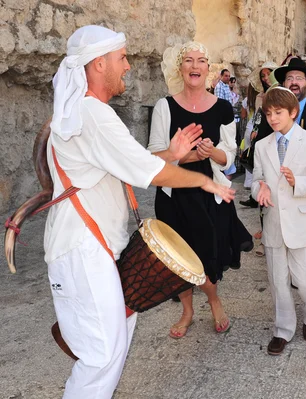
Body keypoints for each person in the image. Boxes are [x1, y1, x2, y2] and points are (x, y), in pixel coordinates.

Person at [45, 26, 235, 399]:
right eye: (122, 58)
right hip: (83, 249)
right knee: (101, 356)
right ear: (99, 64)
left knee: (114, 344)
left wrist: (171, 154)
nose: (128, 66)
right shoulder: (91, 112)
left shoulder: (88, 112)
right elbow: (151, 173)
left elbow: (131, 162)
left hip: (94, 248)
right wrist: (203, 182)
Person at [148, 41, 253, 339]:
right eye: (188, 61)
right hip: (174, 195)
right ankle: (187, 311)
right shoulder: (164, 107)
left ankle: (214, 300)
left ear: (208, 69)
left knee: (208, 252)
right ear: (179, 68)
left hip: (210, 194)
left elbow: (229, 156)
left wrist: (211, 153)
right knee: (179, 257)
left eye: (201, 61)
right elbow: (154, 157)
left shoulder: (221, 107)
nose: (195, 66)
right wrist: (187, 155)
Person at [252, 87, 306, 355]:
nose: (272, 118)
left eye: (278, 113)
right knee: (278, 282)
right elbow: (256, 179)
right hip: (274, 222)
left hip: (304, 224)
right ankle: (282, 330)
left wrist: (298, 182)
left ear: (293, 112)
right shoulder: (262, 146)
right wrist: (259, 189)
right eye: (268, 113)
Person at [240, 61, 278, 209]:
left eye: (269, 74)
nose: (266, 78)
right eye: (263, 75)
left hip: (272, 132)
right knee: (258, 165)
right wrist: (255, 130)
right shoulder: (260, 96)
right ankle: (255, 196)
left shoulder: (279, 92)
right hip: (258, 132)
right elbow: (257, 115)